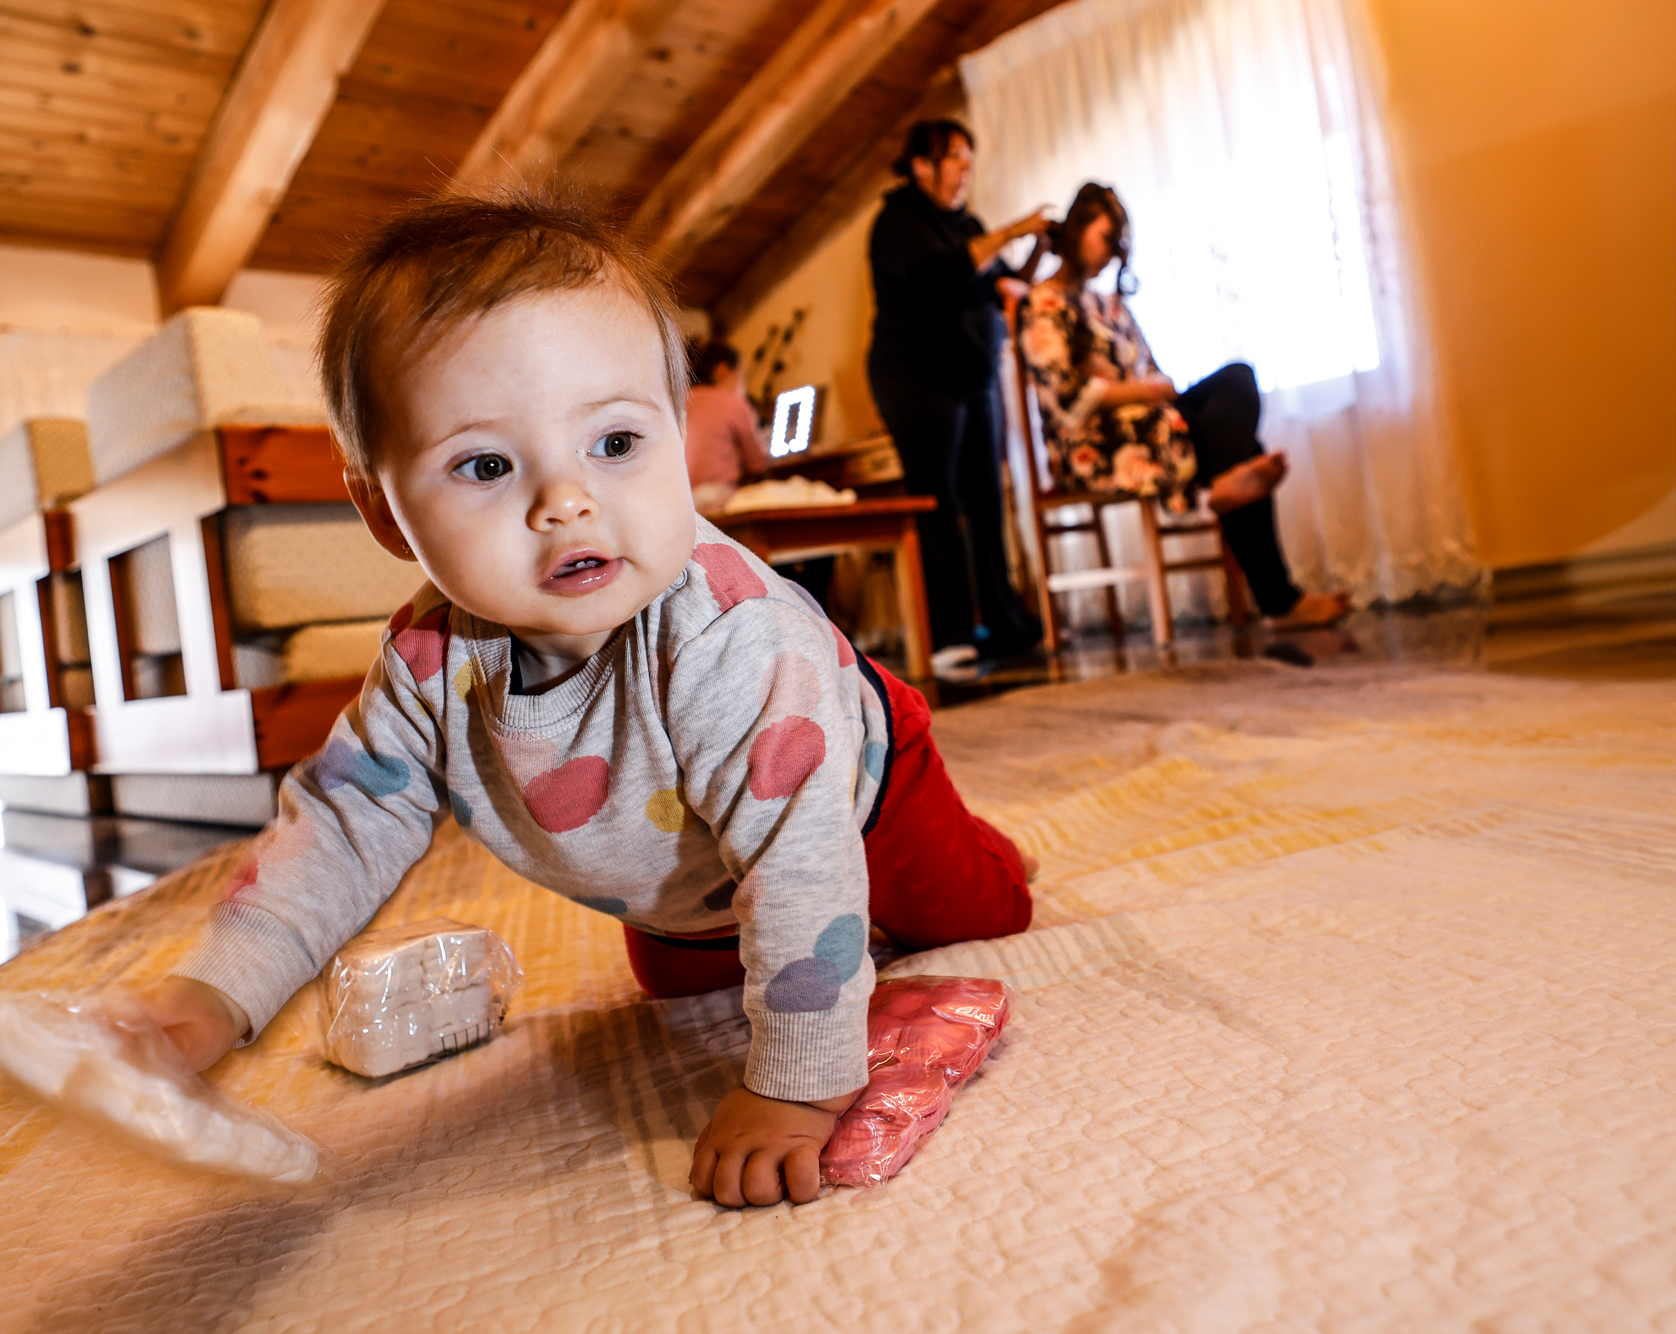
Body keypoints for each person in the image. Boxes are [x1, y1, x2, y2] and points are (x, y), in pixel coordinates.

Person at [137, 190, 1035, 1209]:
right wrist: (213, 992)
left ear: (675, 432)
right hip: (671, 874)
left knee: (976, 913)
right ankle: (758, 937)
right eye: (483, 464)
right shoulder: (429, 666)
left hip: (858, 800)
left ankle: (991, 849)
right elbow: (341, 829)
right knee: (681, 993)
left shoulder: (731, 636)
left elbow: (799, 855)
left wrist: (799, 1087)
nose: (563, 501)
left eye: (614, 444)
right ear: (380, 511)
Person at [1016, 183, 1352, 630]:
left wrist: (1124, 384)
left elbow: (1154, 375)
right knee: (1242, 446)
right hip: (1097, 443)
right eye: (1105, 238)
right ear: (1076, 233)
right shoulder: (1045, 303)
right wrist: (1135, 389)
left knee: (1238, 377)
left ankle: (1234, 485)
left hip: (1152, 417)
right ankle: (1278, 597)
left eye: (1119, 243)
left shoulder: (1110, 306)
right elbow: (1069, 399)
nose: (1112, 253)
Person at [867, 119, 1049, 669]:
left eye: (971, 162)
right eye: (956, 160)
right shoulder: (896, 221)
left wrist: (1035, 250)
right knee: (939, 501)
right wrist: (1014, 229)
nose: (967, 173)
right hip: (914, 377)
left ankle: (1000, 621)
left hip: (972, 378)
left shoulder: (965, 221)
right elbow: (939, 271)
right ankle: (948, 633)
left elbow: (1001, 283)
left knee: (987, 501)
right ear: (922, 164)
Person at [683, 341, 769, 514]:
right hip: (716, 500)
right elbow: (758, 463)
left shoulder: (679, 402)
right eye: (741, 375)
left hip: (681, 503)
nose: (742, 384)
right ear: (723, 369)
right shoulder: (731, 402)